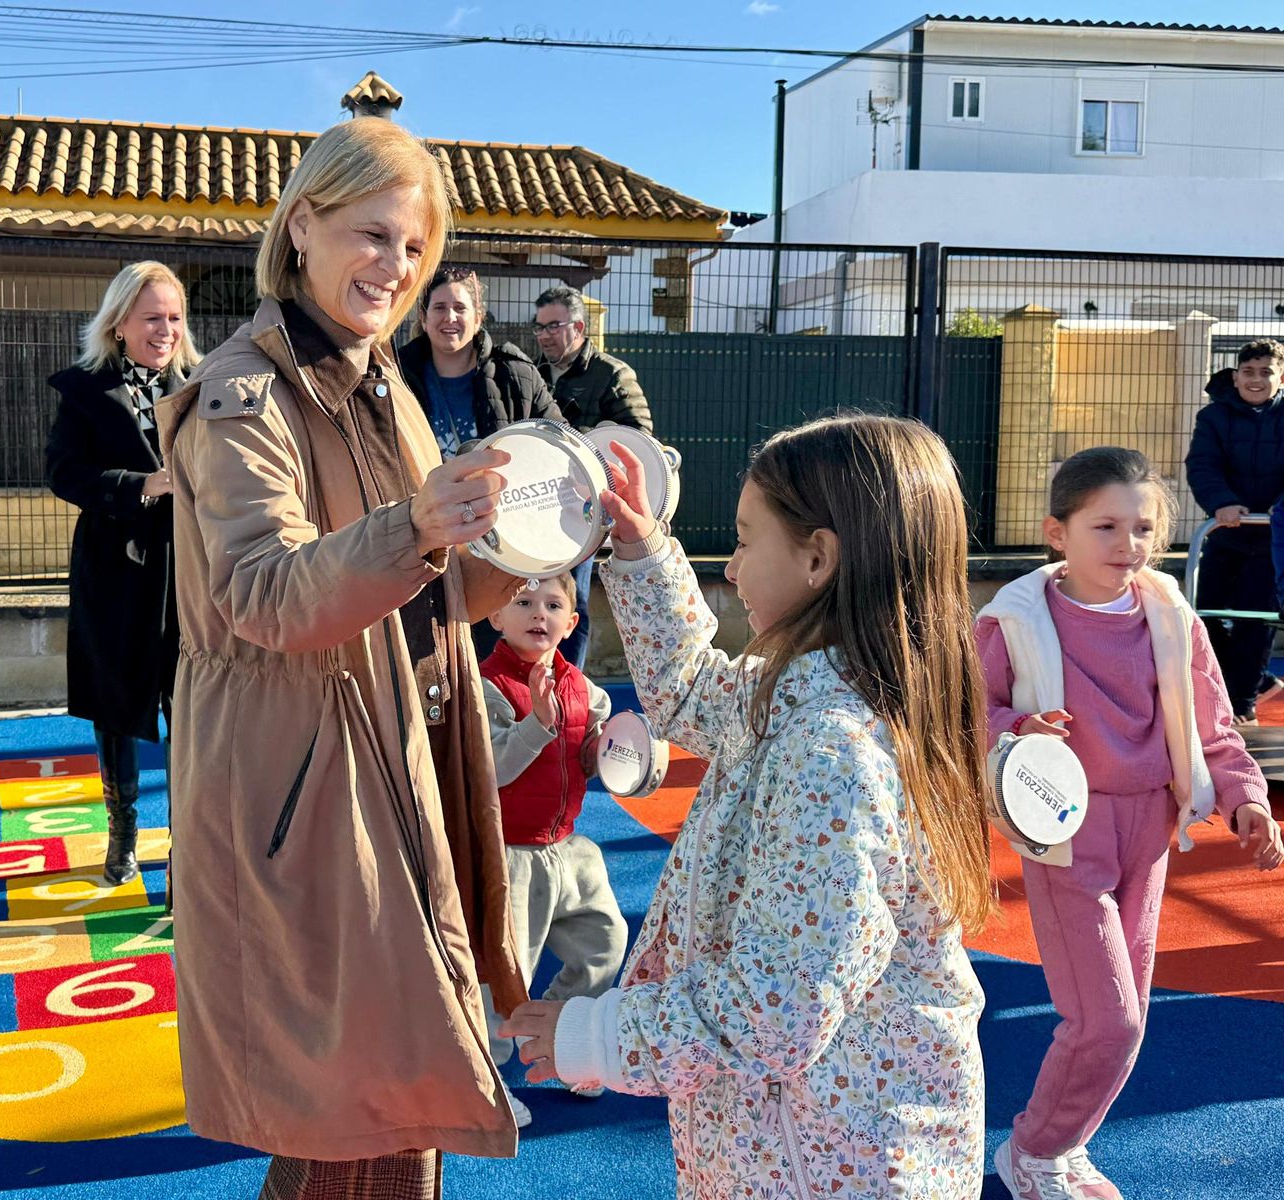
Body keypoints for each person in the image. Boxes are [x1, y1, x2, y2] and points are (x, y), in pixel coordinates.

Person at [156, 117, 530, 1196]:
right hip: (306, 782)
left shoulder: (382, 383)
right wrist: (417, 527)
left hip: (397, 756)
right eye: (372, 235)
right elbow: (263, 594)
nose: (396, 269)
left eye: (414, 249)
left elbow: (429, 596)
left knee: (391, 1100)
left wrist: (531, 538)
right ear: (303, 224)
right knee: (355, 1110)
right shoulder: (243, 396)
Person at [503, 415, 994, 1197]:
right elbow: (690, 687)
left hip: (833, 1160)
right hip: (786, 1140)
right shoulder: (794, 697)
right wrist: (638, 547)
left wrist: (594, 1035)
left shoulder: (829, 751)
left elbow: (780, 1005)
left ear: (817, 558)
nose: (729, 569)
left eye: (742, 541)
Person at [975, 446, 1282, 1200]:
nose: (1129, 545)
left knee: (1126, 1017)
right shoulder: (1013, 618)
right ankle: (1035, 1149)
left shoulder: (1172, 618)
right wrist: (1017, 726)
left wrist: (1245, 797)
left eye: (1144, 528)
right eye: (1106, 526)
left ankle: (1062, 1143)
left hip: (1150, 832)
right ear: (1057, 532)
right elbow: (965, 715)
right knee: (1109, 1022)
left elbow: (1212, 721)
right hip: (1064, 830)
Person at [45, 261, 198, 887]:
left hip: (187, 571)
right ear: (121, 323)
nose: (165, 329)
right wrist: (141, 485)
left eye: (174, 317)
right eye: (152, 317)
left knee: (191, 709)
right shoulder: (86, 390)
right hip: (115, 572)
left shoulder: (200, 386)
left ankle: (188, 847)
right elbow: (63, 473)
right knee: (116, 709)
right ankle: (123, 838)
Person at [476, 571, 621, 1129]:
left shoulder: (587, 691)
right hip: (511, 857)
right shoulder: (485, 686)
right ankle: (487, 1080)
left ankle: (561, 1043)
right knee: (505, 974)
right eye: (522, 601)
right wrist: (537, 723)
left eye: (553, 604)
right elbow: (491, 771)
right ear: (495, 616)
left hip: (569, 849)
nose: (539, 613)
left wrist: (618, 755)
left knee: (605, 944)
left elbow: (604, 754)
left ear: (572, 622)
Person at [398, 265, 562, 658]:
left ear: (479, 316)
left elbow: (557, 443)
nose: (449, 318)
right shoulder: (394, 376)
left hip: (499, 548)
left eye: (460, 307)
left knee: (494, 666)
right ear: (423, 316)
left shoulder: (515, 374)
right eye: (438, 307)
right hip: (423, 545)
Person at [532, 284, 652, 671]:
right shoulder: (533, 374)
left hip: (587, 509)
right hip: (540, 503)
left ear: (579, 328)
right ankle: (533, 684)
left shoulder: (612, 374)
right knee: (533, 596)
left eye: (554, 326)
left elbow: (639, 440)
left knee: (572, 599)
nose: (545, 335)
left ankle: (570, 684)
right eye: (539, 327)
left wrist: (592, 447)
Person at [1185, 339, 1284, 723]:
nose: (1256, 380)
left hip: (1273, 538)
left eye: (1266, 372)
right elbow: (1203, 464)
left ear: (1280, 377)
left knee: (1255, 621)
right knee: (1204, 615)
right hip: (1227, 531)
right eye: (1248, 372)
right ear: (1236, 374)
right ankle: (1258, 682)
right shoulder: (1215, 417)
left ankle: (1243, 703)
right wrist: (1221, 502)